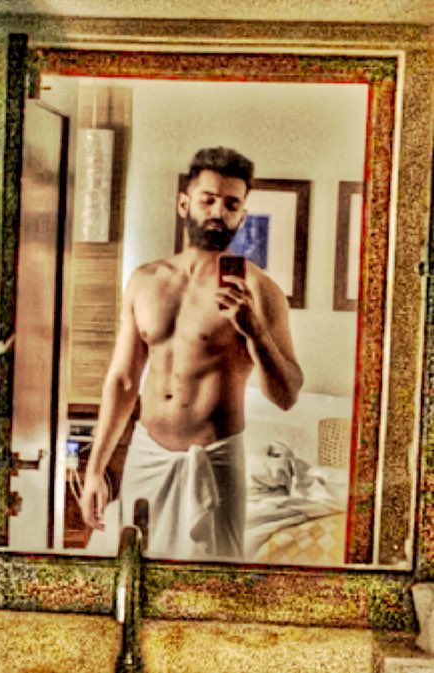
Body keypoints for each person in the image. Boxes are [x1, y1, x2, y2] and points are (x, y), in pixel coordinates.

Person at [80, 146, 303, 561]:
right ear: (184, 204)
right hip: (148, 455)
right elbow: (123, 381)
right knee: (134, 571)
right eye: (209, 199)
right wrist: (96, 469)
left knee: (212, 586)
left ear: (242, 216)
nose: (218, 211)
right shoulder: (145, 281)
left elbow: (286, 396)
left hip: (214, 462)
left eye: (231, 204)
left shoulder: (259, 290)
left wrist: (254, 330)